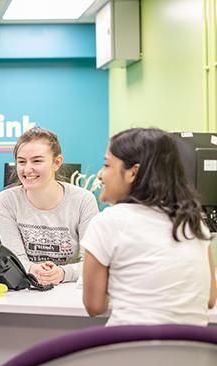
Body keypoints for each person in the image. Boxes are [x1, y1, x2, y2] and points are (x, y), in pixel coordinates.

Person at [81, 127, 216, 325]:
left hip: (129, 350)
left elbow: (94, 306)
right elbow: (211, 299)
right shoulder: (193, 223)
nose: (100, 175)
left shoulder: (108, 222)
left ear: (132, 173)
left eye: (107, 165)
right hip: (191, 354)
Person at [0, 127, 99, 285]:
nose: (27, 169)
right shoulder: (6, 200)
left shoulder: (84, 200)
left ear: (57, 163)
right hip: (26, 291)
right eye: (21, 161)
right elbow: (15, 260)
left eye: (37, 161)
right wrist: (32, 269)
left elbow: (93, 265)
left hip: (69, 293)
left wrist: (63, 273)